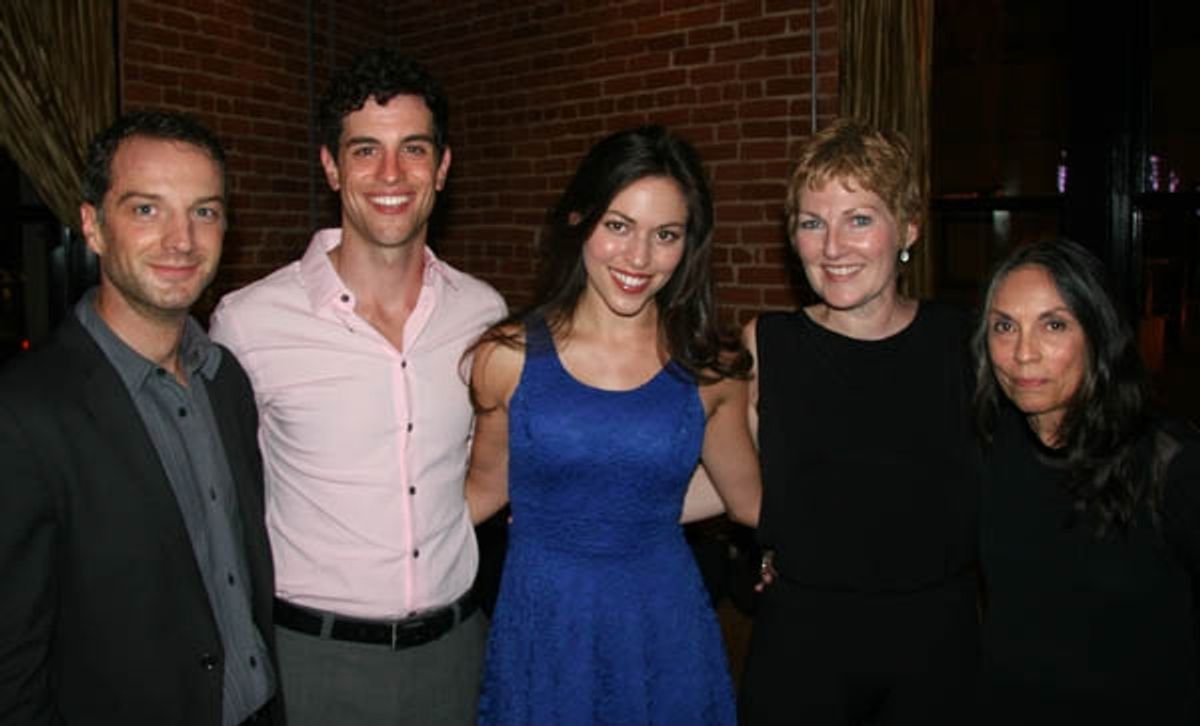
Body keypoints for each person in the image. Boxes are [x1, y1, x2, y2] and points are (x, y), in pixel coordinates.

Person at [209, 49, 505, 724]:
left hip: (456, 653)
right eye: (366, 150)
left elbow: (493, 471)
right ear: (331, 166)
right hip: (313, 659)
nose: (391, 174)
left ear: (444, 167)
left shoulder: (483, 315)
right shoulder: (249, 322)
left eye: (414, 149)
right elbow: (221, 502)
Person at [463, 125, 761, 724]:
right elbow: (485, 492)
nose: (639, 258)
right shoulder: (506, 356)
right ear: (580, 220)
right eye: (618, 226)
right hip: (545, 629)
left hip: (662, 628)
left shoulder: (711, 369)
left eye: (665, 235)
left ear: (688, 245)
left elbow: (747, 501)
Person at [0, 111, 280, 725]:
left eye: (204, 211)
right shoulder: (22, 412)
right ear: (93, 226)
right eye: (147, 210)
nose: (182, 240)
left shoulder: (226, 380)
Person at [738, 119, 982, 725]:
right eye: (812, 223)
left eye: (859, 219)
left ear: (909, 228)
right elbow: (727, 479)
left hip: (938, 643)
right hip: (802, 642)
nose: (832, 248)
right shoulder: (767, 345)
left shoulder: (965, 343)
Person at [972, 238, 1200, 724]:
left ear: (1097, 334)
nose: (1023, 353)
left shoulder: (1169, 464)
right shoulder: (990, 443)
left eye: (1053, 325)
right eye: (1004, 327)